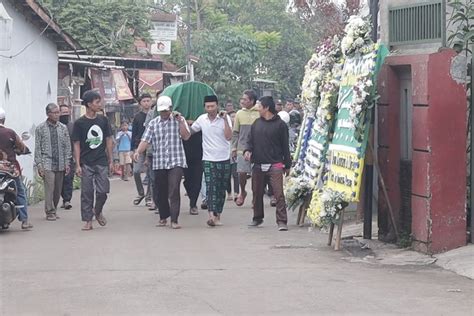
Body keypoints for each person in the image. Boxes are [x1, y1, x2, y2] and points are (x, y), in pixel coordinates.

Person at [134, 96, 190, 229]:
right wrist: (138, 151)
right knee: (160, 190)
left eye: (166, 111)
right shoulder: (153, 123)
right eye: (161, 111)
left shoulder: (178, 120)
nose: (164, 113)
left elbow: (186, 136)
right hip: (159, 162)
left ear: (170, 109)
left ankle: (174, 220)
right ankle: (163, 216)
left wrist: (181, 121)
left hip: (176, 160)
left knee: (174, 189)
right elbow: (145, 140)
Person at [244, 96, 292, 231]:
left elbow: (285, 146)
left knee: (278, 193)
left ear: (266, 108)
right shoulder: (256, 124)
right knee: (257, 192)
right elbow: (250, 141)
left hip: (275, 164)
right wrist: (248, 150)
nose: (257, 109)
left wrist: (287, 165)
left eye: (259, 106)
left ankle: (282, 221)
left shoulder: (280, 125)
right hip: (258, 164)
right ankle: (257, 218)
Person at [72, 90, 114, 231]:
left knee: (103, 191)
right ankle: (88, 220)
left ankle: (97, 210)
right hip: (86, 162)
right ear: (89, 104)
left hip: (101, 160)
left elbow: (108, 139)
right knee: (87, 192)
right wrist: (77, 164)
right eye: (97, 102)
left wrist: (111, 160)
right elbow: (76, 144)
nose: (99, 104)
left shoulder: (103, 120)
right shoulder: (79, 123)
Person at [191, 95, 233, 227]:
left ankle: (218, 215)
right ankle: (211, 215)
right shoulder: (202, 119)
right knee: (210, 186)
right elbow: (189, 133)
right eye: (207, 106)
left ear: (217, 106)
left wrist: (225, 119)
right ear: (204, 107)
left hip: (224, 158)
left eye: (212, 106)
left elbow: (229, 136)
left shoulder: (225, 119)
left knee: (221, 188)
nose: (210, 109)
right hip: (208, 158)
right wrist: (181, 121)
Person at [34, 103, 72, 221]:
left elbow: (67, 146)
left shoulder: (63, 128)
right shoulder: (40, 128)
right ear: (48, 114)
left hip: (60, 162)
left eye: (58, 112)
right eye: (54, 113)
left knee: (57, 189)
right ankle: (49, 211)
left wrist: (67, 162)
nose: (57, 115)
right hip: (47, 163)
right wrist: (39, 165)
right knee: (49, 188)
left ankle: (54, 209)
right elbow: (38, 148)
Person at [0, 108, 33, 229]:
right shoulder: (10, 133)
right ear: (4, 119)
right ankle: (24, 220)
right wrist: (22, 150)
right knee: (20, 192)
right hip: (9, 169)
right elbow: (21, 147)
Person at [232, 90, 260, 207]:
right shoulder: (239, 114)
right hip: (242, 148)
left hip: (257, 149)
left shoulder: (259, 112)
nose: (242, 101)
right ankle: (242, 191)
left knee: (256, 175)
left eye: (245, 99)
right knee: (242, 173)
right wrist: (234, 148)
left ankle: (255, 197)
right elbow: (235, 133)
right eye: (242, 99)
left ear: (252, 101)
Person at [131, 93, 152, 205]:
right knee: (136, 171)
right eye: (144, 101)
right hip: (139, 147)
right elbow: (134, 133)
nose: (146, 103)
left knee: (150, 173)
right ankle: (140, 192)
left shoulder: (154, 115)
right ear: (140, 103)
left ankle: (149, 197)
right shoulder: (137, 117)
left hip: (151, 147)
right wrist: (132, 149)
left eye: (148, 100)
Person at [183, 129, 203, 216]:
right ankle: (192, 197)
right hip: (185, 155)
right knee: (187, 181)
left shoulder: (201, 124)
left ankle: (193, 204)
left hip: (199, 155)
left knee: (197, 180)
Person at [59, 104, 75, 210]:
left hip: (69, 157)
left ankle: (67, 200)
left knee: (68, 178)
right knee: (59, 180)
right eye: (63, 112)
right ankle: (60, 198)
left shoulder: (72, 126)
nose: (65, 114)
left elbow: (76, 142)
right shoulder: (56, 127)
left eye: (67, 112)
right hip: (57, 157)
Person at [226, 111, 239, 201]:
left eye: (235, 116)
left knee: (236, 175)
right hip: (226, 155)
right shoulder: (226, 127)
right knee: (227, 175)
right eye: (231, 117)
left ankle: (236, 193)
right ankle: (229, 192)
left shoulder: (238, 128)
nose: (233, 118)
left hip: (236, 154)